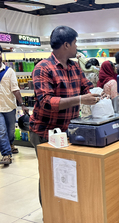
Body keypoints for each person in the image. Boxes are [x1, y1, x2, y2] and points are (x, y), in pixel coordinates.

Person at [29, 26, 100, 206]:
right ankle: (49, 215)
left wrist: (97, 93)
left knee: (65, 171)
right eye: (75, 43)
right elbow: (46, 101)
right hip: (45, 131)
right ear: (66, 44)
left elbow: (85, 87)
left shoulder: (74, 66)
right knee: (48, 174)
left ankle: (63, 211)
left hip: (67, 130)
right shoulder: (43, 68)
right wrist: (80, 99)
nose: (77, 46)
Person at [0, 45, 29, 165]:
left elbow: (15, 90)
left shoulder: (9, 71)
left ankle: (11, 144)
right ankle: (6, 154)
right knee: (1, 131)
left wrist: (22, 104)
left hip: (9, 106)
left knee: (11, 131)